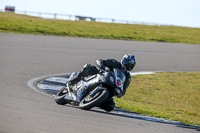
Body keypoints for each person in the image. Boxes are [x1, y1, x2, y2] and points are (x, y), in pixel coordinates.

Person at [66, 54, 136, 111]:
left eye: (131, 65)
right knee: (89, 67)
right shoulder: (114, 63)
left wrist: (120, 92)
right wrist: (103, 68)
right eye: (128, 64)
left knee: (111, 106)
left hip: (110, 87)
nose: (129, 66)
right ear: (124, 61)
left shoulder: (128, 77)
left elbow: (124, 89)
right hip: (101, 76)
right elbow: (99, 61)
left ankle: (94, 101)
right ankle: (73, 80)